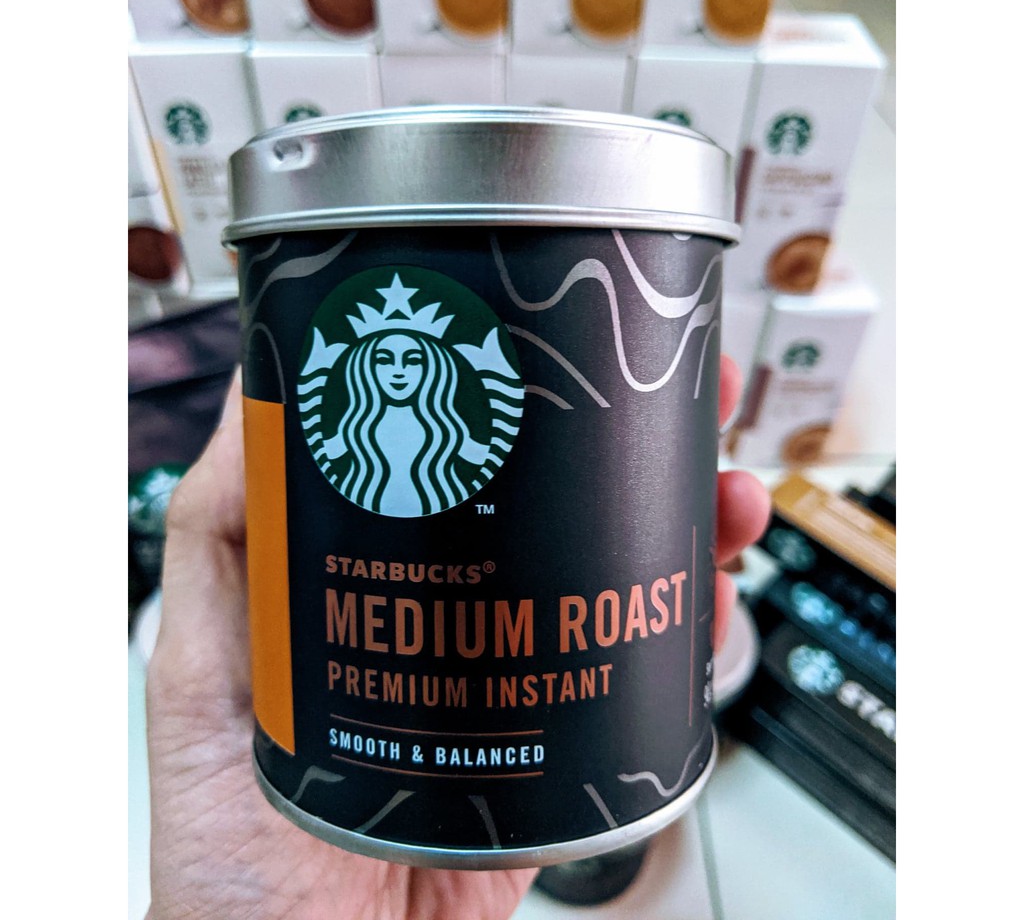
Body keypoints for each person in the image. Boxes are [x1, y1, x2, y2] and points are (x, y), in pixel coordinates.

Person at [146, 356, 771, 920]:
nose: (398, 371)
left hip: (603, 776)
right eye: (383, 357)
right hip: (319, 794)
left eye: (414, 358)